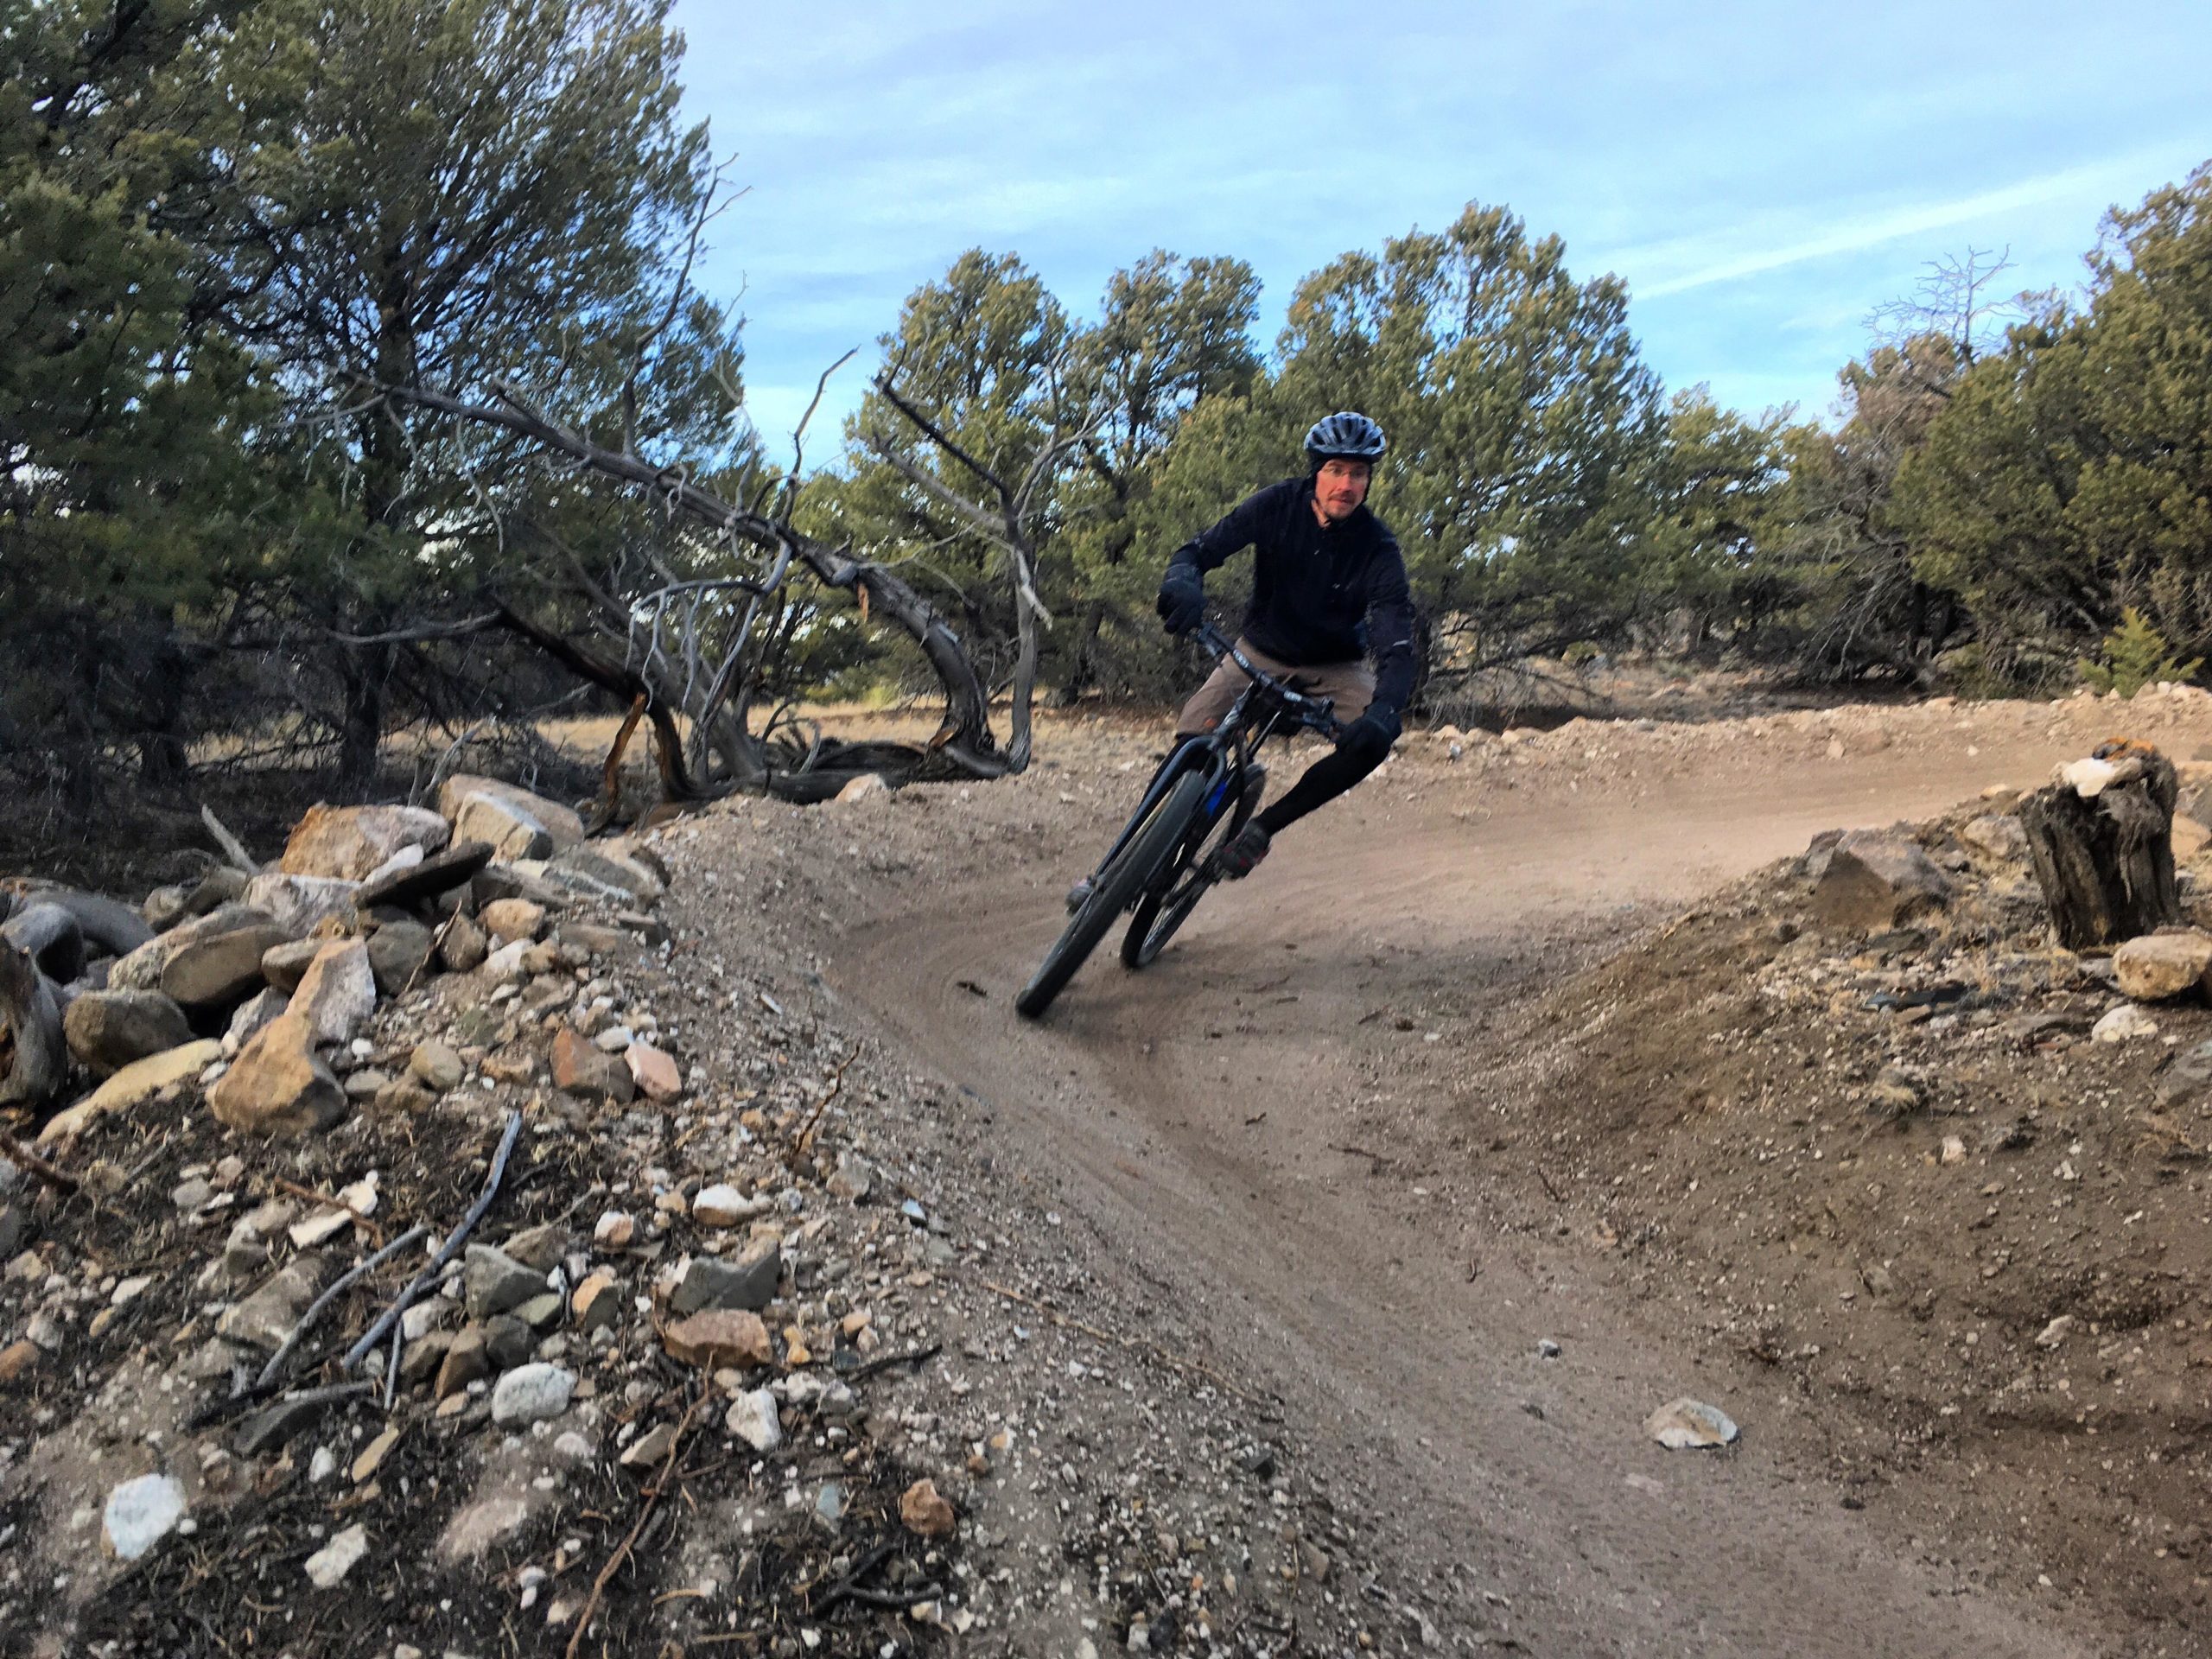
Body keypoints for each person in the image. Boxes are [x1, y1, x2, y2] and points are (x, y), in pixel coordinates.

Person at [1152, 410, 1414, 880]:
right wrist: (1183, 582)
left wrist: (1384, 710)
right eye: (1335, 470)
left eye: (1358, 474)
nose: (1346, 484)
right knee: (1190, 744)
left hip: (1334, 667)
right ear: (1316, 471)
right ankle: (1139, 849)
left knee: (1373, 742)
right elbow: (1199, 550)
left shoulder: (1378, 548)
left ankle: (1262, 829)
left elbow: (1396, 640)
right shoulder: (1277, 504)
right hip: (1260, 651)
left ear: (1369, 481)